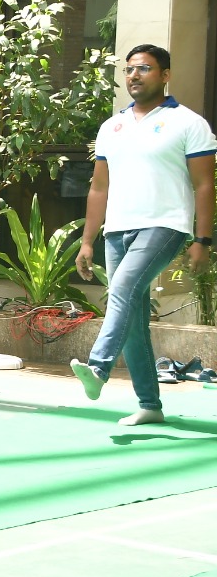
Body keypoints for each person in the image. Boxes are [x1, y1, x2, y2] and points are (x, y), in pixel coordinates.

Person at [72, 44, 215, 425]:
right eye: (129, 70)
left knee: (121, 291)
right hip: (117, 229)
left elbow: (204, 184)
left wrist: (203, 240)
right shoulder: (111, 127)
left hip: (165, 225)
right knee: (133, 318)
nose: (134, 76)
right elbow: (99, 188)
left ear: (165, 75)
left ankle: (98, 368)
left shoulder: (188, 122)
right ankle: (150, 404)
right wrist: (88, 240)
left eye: (145, 69)